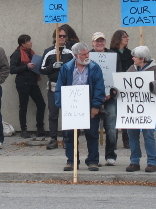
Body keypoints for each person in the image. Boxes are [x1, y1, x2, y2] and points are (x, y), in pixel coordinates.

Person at [55, 42, 106, 171]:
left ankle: (93, 161)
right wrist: (62, 105)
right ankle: (72, 161)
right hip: (72, 106)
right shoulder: (66, 68)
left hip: (89, 105)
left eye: (88, 53)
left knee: (92, 134)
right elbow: (59, 88)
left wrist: (96, 106)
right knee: (70, 135)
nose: (87, 56)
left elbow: (99, 88)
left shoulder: (95, 68)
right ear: (75, 55)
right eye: (84, 54)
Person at [125, 45, 156, 172]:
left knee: (148, 136)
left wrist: (153, 85)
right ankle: (134, 161)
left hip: (148, 110)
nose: (133, 58)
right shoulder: (132, 69)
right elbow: (124, 84)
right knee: (132, 136)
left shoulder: (154, 70)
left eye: (135, 57)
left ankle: (151, 162)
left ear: (142, 59)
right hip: (133, 110)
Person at [39, 24, 75, 149]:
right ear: (55, 37)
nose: (62, 38)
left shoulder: (70, 52)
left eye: (64, 36)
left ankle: (66, 138)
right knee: (53, 114)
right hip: (53, 87)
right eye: (59, 36)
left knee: (67, 114)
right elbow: (42, 69)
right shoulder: (48, 52)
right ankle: (53, 139)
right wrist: (52, 66)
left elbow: (77, 68)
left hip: (67, 86)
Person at [90, 32, 119, 165]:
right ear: (92, 43)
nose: (99, 43)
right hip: (93, 98)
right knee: (92, 128)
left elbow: (118, 75)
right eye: (97, 41)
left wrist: (111, 93)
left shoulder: (113, 55)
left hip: (110, 97)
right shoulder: (88, 56)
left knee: (111, 127)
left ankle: (110, 155)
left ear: (105, 42)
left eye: (102, 40)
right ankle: (94, 157)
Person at [9, 34, 46, 138]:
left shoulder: (31, 53)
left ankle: (40, 128)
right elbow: (12, 69)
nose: (31, 42)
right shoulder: (17, 54)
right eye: (28, 41)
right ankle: (23, 130)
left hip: (33, 82)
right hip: (22, 83)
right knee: (23, 106)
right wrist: (26, 66)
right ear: (23, 44)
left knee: (41, 104)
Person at [110, 29, 133, 149]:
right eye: (125, 37)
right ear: (118, 39)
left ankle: (126, 139)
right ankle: (113, 140)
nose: (127, 38)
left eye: (127, 36)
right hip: (115, 87)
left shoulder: (130, 53)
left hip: (127, 86)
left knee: (125, 113)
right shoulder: (111, 53)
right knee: (114, 114)